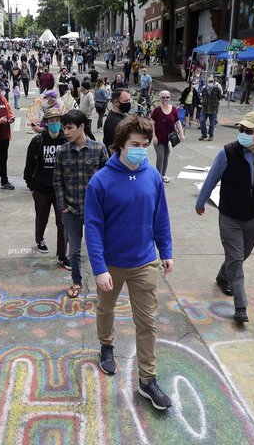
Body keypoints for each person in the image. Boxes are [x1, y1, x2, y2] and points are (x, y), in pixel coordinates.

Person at [86, 114, 174, 410]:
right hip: (110, 262)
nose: (141, 149)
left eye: (145, 144)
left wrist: (166, 250)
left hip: (144, 262)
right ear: (121, 144)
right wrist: (98, 268)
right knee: (106, 308)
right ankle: (106, 346)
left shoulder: (152, 177)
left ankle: (147, 380)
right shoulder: (101, 181)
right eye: (135, 144)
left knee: (147, 323)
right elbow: (93, 227)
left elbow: (160, 216)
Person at [195, 111, 254, 324]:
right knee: (236, 258)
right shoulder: (228, 152)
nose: (242, 133)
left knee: (240, 256)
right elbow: (212, 178)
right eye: (241, 129)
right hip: (230, 216)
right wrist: (200, 202)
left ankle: (223, 276)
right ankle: (241, 306)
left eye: (248, 131)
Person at [55, 109, 109, 299]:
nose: (66, 132)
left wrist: (105, 207)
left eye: (69, 128)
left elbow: (108, 181)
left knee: (99, 248)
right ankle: (76, 282)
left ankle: (103, 280)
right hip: (70, 210)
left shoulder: (99, 149)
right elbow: (58, 181)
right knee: (74, 251)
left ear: (81, 127)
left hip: (95, 211)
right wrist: (63, 206)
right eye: (64, 128)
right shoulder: (62, 152)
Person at [25, 104, 69, 267]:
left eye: (58, 120)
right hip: (42, 189)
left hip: (61, 191)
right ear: (46, 122)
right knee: (41, 217)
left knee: (62, 223)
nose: (55, 123)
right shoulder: (38, 140)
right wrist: (32, 186)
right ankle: (39, 239)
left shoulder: (66, 140)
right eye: (51, 120)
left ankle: (62, 254)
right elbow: (29, 165)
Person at [151, 90, 184, 182]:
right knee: (160, 156)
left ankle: (163, 175)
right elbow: (151, 123)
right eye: (163, 97)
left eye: (167, 97)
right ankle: (158, 177)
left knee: (166, 157)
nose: (165, 99)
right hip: (158, 138)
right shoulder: (157, 110)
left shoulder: (173, 109)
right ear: (160, 98)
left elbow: (178, 122)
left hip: (169, 139)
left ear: (169, 98)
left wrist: (181, 134)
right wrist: (154, 136)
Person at [199, 76, 224, 141]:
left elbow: (219, 97)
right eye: (209, 82)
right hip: (204, 108)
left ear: (214, 82)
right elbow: (202, 96)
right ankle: (204, 134)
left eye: (211, 82)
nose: (210, 83)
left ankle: (211, 135)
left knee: (212, 124)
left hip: (213, 109)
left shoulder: (217, 89)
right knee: (202, 121)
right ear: (207, 82)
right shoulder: (204, 89)